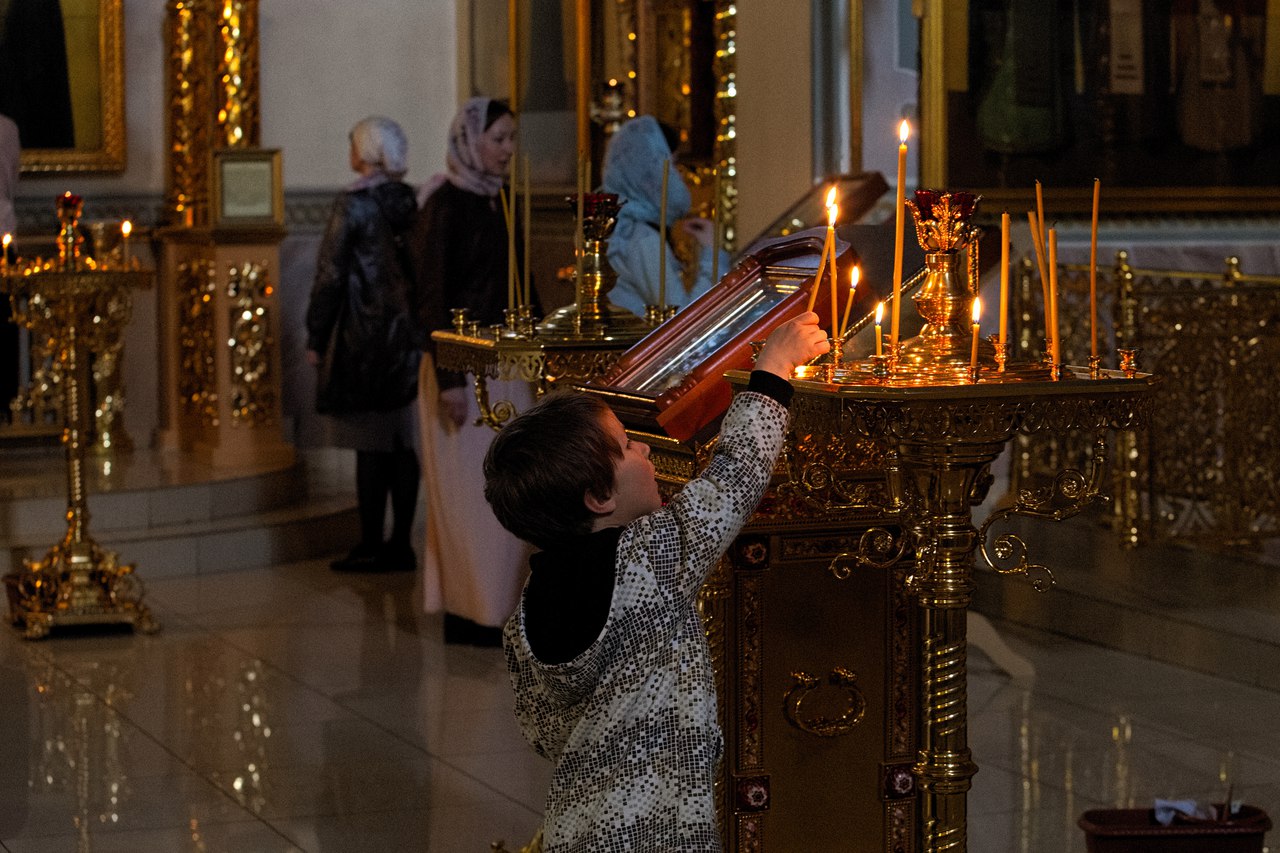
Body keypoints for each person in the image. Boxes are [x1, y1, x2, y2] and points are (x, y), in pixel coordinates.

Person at [483, 313, 829, 850]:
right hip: (656, 831)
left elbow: (545, 734)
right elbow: (734, 477)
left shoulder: (524, 615)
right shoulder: (647, 559)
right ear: (599, 498)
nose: (644, 449)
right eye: (626, 446)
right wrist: (773, 370)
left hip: (577, 827)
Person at [410, 97, 537, 646]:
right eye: (500, 139)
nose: (509, 150)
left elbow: (520, 280)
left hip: (508, 360)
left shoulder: (500, 200)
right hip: (461, 367)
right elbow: (431, 295)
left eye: (512, 139)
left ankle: (502, 605)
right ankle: (470, 609)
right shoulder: (444, 203)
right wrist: (452, 381)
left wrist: (538, 350)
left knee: (512, 485)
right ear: (471, 140)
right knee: (469, 494)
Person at [305, 116, 421, 573]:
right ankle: (401, 543)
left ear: (365, 152)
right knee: (401, 442)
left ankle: (371, 543)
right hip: (409, 338)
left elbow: (330, 276)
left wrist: (316, 334)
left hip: (362, 337)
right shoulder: (411, 201)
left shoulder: (352, 206)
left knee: (369, 445)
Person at [600, 115, 730, 318]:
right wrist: (712, 255)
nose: (677, 177)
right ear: (652, 169)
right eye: (673, 164)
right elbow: (683, 321)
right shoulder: (641, 237)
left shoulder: (614, 225)